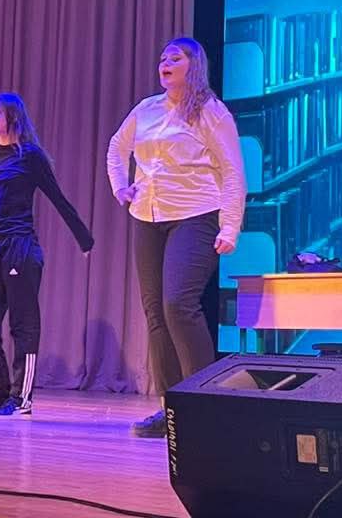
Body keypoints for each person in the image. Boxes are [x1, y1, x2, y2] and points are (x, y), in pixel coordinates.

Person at [106, 36, 246, 438]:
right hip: (147, 215)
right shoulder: (146, 109)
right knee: (155, 312)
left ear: (193, 65)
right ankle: (170, 413)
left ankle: (202, 407)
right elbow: (117, 147)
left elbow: (233, 171)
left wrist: (230, 226)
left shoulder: (211, 112)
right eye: (162, 58)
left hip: (196, 215)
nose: (164, 63)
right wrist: (120, 186)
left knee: (178, 304)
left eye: (174, 57)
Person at [0, 93, 94, 419]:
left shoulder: (30, 156)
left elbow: (58, 198)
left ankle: (21, 399)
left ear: (12, 116)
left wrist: (85, 241)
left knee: (22, 325)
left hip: (20, 248)